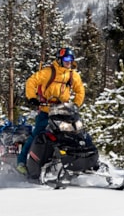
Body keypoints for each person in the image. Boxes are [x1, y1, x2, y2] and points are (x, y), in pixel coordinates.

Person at [16, 47, 85, 175]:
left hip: (64, 111)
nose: (69, 62)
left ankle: (78, 161)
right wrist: (32, 98)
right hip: (47, 110)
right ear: (59, 59)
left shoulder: (72, 75)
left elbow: (80, 90)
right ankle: (21, 162)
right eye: (66, 59)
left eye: (71, 59)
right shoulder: (49, 72)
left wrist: (75, 104)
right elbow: (31, 81)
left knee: (75, 133)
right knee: (37, 134)